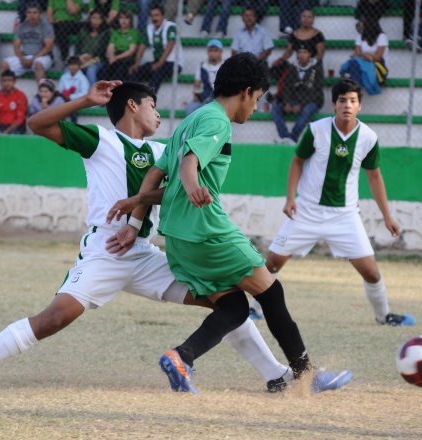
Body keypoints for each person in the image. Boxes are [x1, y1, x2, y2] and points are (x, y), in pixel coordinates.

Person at [0, 80, 297, 393]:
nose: (158, 114)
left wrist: (141, 212)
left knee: (225, 301)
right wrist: (86, 101)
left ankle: (277, 375)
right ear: (133, 105)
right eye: (153, 106)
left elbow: (171, 191)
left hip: (146, 254)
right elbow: (37, 123)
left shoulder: (163, 151)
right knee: (54, 318)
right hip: (106, 250)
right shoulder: (101, 140)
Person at [108, 53, 352, 394]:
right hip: (207, 231)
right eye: (258, 98)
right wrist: (193, 188)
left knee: (234, 306)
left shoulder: (191, 119)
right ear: (246, 91)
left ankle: (182, 357)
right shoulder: (216, 121)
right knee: (271, 292)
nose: (256, 108)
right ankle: (307, 375)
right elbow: (189, 165)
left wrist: (136, 214)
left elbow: (155, 175)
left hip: (178, 239)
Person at [248, 79, 416, 329]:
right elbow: (297, 162)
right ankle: (254, 309)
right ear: (334, 104)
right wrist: (291, 198)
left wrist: (387, 216)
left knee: (371, 272)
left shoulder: (368, 137)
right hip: (307, 211)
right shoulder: (316, 130)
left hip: (345, 216)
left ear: (359, 106)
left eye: (352, 100)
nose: (347, 105)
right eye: (342, 100)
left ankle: (384, 316)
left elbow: (374, 177)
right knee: (272, 262)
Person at [271, 44, 324, 145]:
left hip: (311, 101)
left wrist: (301, 105)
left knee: (307, 110)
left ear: (310, 54)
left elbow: (316, 92)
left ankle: (292, 139)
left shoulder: (316, 68)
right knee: (275, 108)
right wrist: (287, 102)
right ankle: (285, 137)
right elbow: (287, 87)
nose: (301, 55)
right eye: (299, 52)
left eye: (305, 52)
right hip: (294, 100)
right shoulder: (292, 67)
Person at [129, 4, 183, 94]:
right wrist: (136, 63)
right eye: (152, 16)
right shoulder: (149, 28)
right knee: (136, 71)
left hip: (174, 63)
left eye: (157, 15)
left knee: (158, 72)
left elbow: (170, 45)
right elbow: (142, 46)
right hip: (158, 62)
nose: (154, 18)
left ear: (163, 16)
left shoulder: (170, 27)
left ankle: (148, 97)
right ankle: (130, 95)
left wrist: (159, 63)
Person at [0, 2, 55, 83]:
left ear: (40, 14)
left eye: (35, 12)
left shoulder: (46, 26)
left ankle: (42, 90)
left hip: (42, 57)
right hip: (25, 57)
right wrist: (22, 59)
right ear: (26, 14)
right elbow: (16, 46)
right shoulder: (21, 27)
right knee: (4, 64)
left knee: (38, 65)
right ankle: (3, 90)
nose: (32, 15)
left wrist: (33, 59)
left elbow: (48, 47)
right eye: (29, 12)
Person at [271, 9, 326, 80]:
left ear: (313, 20)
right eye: (304, 16)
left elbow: (320, 55)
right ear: (300, 18)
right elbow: (288, 51)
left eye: (309, 17)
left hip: (313, 65)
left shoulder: (317, 34)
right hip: (299, 64)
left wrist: (309, 64)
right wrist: (280, 60)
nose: (306, 19)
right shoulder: (294, 34)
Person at [340, 19, 389, 96]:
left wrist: (365, 56)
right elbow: (356, 54)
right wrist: (367, 55)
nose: (359, 23)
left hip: (377, 66)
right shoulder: (360, 36)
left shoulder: (381, 36)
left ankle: (353, 89)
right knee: (354, 63)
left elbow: (378, 57)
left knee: (355, 63)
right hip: (363, 63)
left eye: (362, 22)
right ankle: (355, 90)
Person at [97, 9, 139, 82]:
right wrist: (111, 56)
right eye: (121, 18)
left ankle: (118, 89)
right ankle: (105, 89)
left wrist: (116, 58)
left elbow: (131, 51)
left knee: (120, 72)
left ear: (130, 20)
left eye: (126, 18)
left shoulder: (134, 33)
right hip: (116, 55)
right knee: (103, 72)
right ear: (118, 20)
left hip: (127, 58)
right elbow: (110, 47)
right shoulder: (115, 33)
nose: (124, 20)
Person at [184, 39, 223, 117]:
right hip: (206, 98)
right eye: (211, 50)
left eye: (216, 50)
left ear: (221, 52)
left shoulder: (226, 65)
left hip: (221, 99)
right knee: (189, 108)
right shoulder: (202, 66)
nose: (213, 53)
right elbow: (197, 83)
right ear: (207, 52)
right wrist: (196, 95)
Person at [75, 9, 109, 86]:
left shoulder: (106, 33)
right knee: (70, 68)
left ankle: (92, 91)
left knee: (91, 70)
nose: (96, 21)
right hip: (82, 58)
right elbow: (77, 47)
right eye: (93, 18)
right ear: (89, 19)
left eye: (98, 18)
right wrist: (79, 57)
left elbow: (103, 49)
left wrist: (91, 56)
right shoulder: (83, 31)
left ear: (102, 20)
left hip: (98, 59)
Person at [0, 69, 28, 135]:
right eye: (5, 81)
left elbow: (20, 118)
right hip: (1, 126)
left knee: (13, 135)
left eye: (10, 80)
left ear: (14, 82)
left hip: (17, 128)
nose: (7, 83)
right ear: (1, 82)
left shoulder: (21, 96)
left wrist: (7, 131)